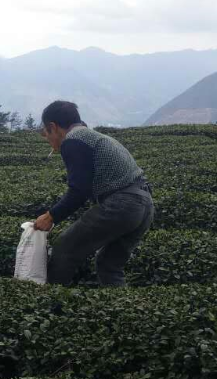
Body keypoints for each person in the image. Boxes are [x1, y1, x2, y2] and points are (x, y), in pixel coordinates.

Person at [34, 100, 155, 286]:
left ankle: (48, 306)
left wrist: (51, 217)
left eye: (47, 134)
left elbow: (79, 190)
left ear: (53, 127)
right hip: (145, 205)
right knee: (109, 265)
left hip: (123, 204)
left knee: (64, 247)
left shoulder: (73, 140)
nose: (49, 140)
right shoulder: (93, 136)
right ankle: (122, 310)